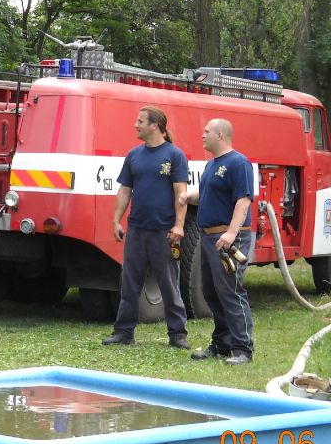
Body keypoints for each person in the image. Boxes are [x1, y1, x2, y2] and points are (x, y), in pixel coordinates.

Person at [102, 106, 190, 348]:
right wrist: (116, 220)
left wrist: (179, 226)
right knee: (129, 283)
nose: (135, 125)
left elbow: (180, 194)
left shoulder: (174, 156)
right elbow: (124, 190)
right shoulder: (134, 156)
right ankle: (123, 332)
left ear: (155, 125)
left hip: (163, 232)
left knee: (168, 284)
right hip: (137, 230)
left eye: (140, 121)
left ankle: (177, 334)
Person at [180, 118, 256, 365]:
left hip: (228, 238)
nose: (202, 135)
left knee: (231, 291)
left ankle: (243, 348)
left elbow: (243, 200)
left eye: (206, 131)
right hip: (209, 236)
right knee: (211, 292)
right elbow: (209, 194)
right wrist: (188, 196)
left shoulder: (238, 163)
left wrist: (232, 234)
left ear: (220, 135)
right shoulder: (212, 165)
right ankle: (222, 343)